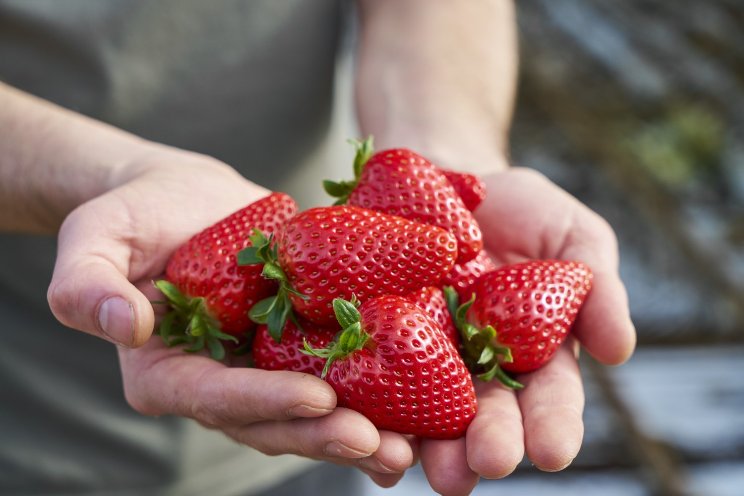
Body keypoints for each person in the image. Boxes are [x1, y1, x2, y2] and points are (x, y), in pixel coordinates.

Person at [0, 1, 636, 495]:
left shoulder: (329, 291)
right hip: (29, 423)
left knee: (337, 441)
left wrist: (445, 149)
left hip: (303, 427)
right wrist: (105, 174)